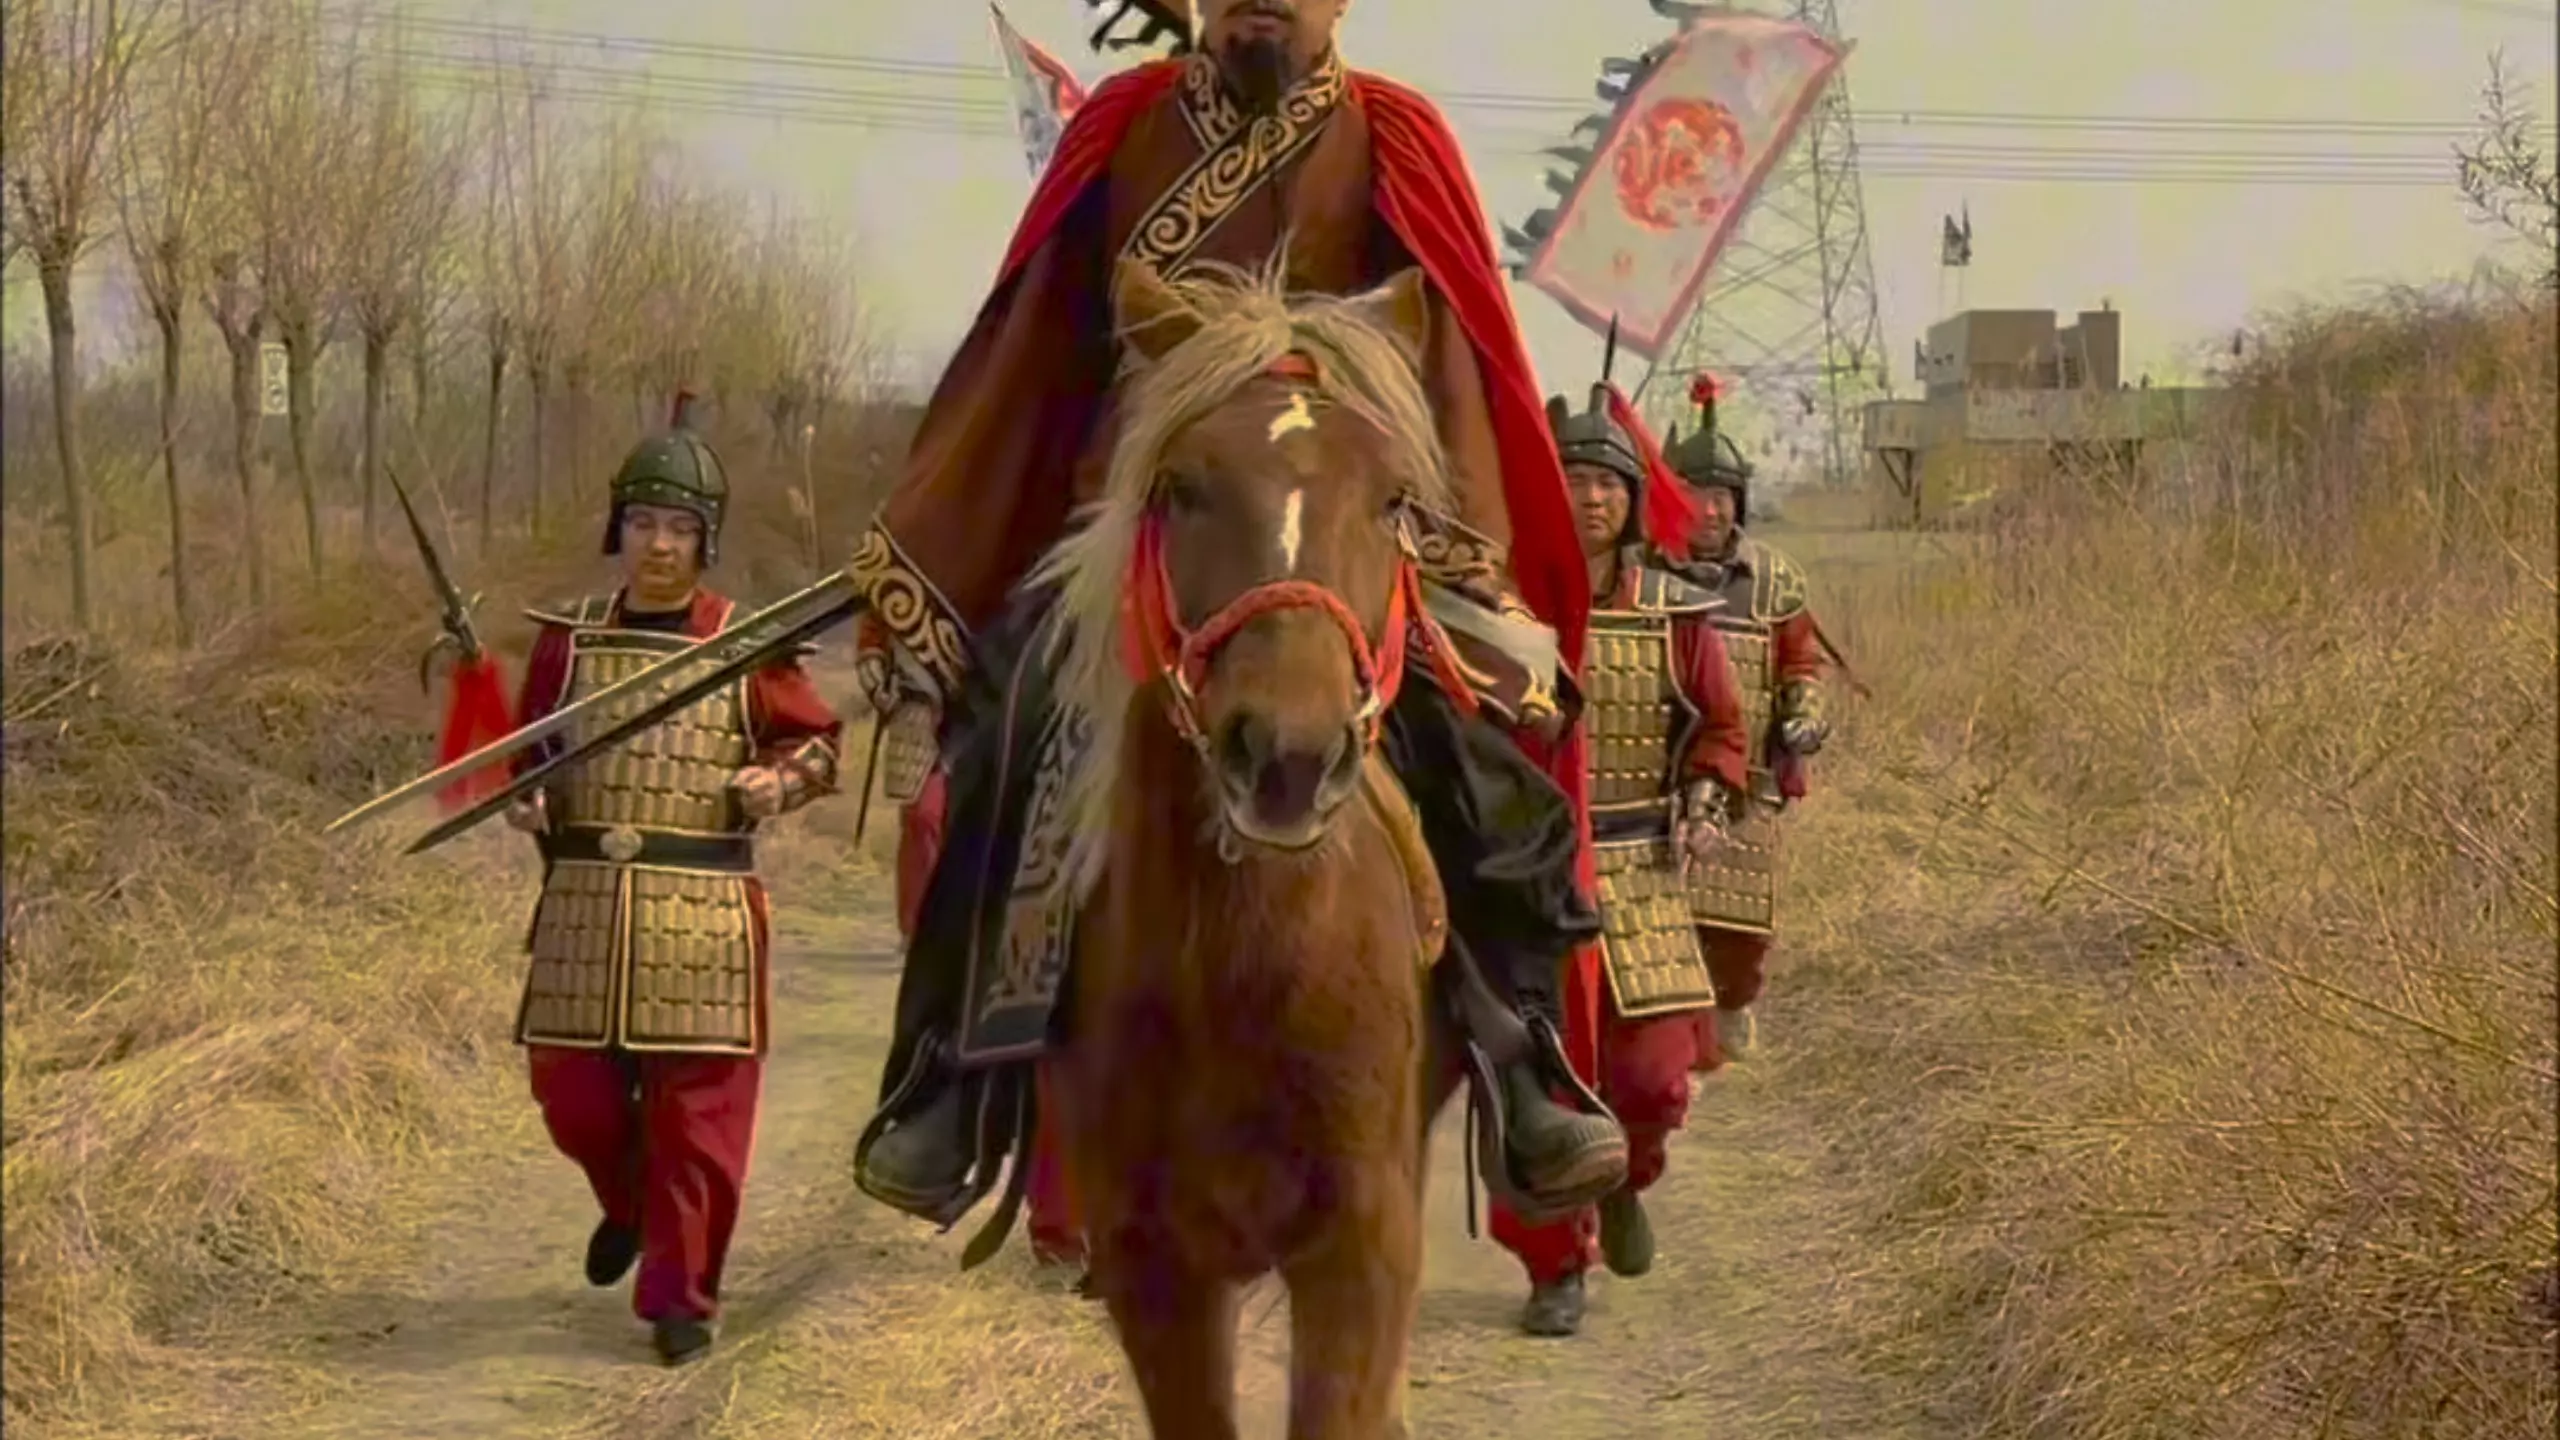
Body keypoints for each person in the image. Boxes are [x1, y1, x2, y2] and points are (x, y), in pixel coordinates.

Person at [843, 0, 1628, 1243]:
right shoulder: (1122, 128)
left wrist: (1461, 556)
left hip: (1343, 528)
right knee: (1006, 726)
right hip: (1150, 522)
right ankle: (950, 1072)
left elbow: (1447, 363)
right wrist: (952, 544)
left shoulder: (1394, 137)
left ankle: (1520, 1054)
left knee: (1476, 755)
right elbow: (1033, 355)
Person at [503, 397, 844, 1366]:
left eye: (681, 528)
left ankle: (680, 1297)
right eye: (645, 523)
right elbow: (532, 753)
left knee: (698, 1122)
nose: (660, 545)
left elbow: (816, 744)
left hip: (701, 914)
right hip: (585, 908)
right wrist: (530, 798)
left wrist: (776, 782)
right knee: (572, 1096)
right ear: (619, 528)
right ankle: (631, 1207)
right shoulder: (568, 640)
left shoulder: (745, 642)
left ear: (706, 540)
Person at [1490, 383, 1751, 1337]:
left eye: (1608, 481)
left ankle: (1628, 1179)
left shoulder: (1676, 614)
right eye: (1573, 477)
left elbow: (1721, 726)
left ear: (1635, 498)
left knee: (1650, 1079)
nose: (1591, 496)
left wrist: (1707, 797)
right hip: (1532, 872)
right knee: (1538, 1081)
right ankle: (1555, 1266)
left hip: (1640, 866)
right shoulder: (1505, 607)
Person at [1658, 375, 1833, 1070]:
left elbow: (1800, 664)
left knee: (1738, 924)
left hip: (1748, 775)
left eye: (1721, 496)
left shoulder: (1773, 580)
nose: (1708, 510)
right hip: (1654, 769)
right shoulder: (1643, 571)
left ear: (1738, 502)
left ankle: (1728, 1012)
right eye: (1694, 495)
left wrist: (1803, 716)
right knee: (1655, 910)